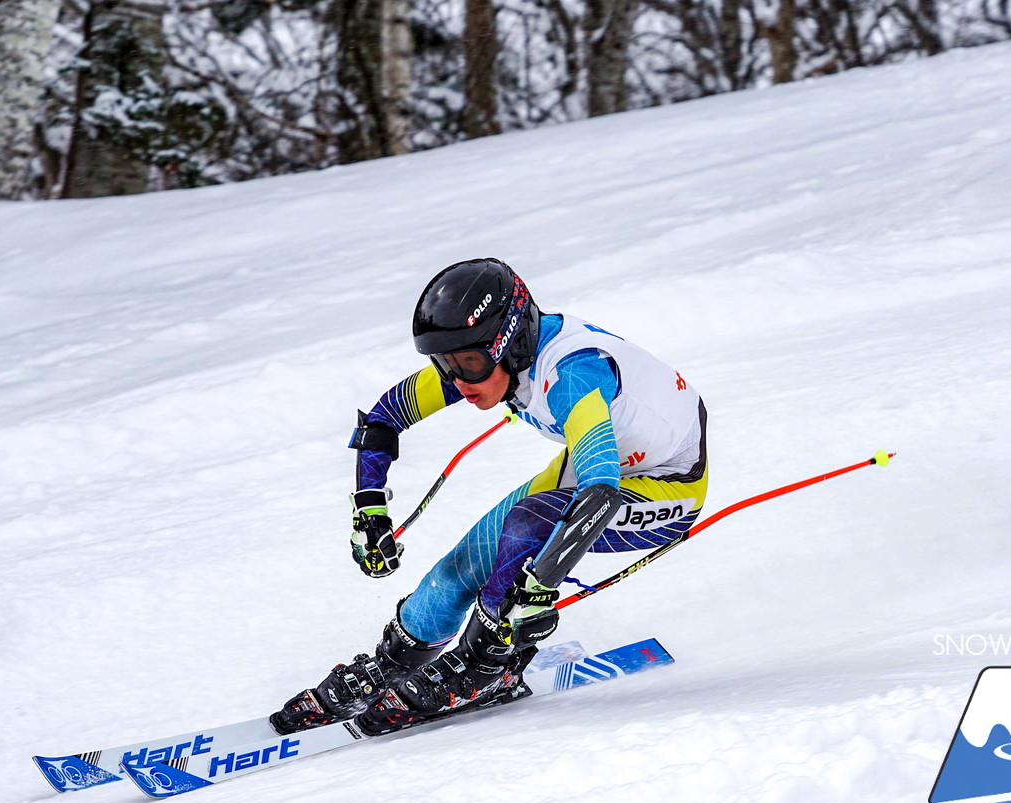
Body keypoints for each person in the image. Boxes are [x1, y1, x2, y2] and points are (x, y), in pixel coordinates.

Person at [271, 258, 709, 735]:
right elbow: (383, 418)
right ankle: (391, 665)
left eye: (469, 364)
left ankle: (489, 662)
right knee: (457, 571)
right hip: (603, 465)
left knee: (529, 525)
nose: (459, 381)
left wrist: (537, 590)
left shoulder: (573, 376)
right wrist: (370, 509)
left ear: (512, 340)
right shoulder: (488, 361)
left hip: (667, 486)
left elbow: (599, 496)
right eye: (445, 364)